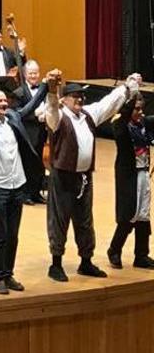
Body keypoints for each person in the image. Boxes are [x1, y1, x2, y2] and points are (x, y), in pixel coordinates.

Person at [44, 74, 141, 282]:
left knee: (85, 221)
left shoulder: (88, 115)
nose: (79, 100)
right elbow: (51, 108)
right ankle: (56, 264)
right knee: (59, 220)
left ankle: (85, 261)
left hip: (84, 178)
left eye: (81, 96)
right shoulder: (58, 117)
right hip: (63, 178)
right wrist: (52, 91)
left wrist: (128, 86)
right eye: (74, 96)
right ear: (65, 99)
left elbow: (108, 104)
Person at [0, 73, 54, 294]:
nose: (4, 104)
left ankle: (9, 273)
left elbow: (31, 105)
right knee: (0, 234)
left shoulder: (13, 117)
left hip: (18, 184)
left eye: (5, 100)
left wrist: (44, 85)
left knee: (13, 234)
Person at [108, 92, 154, 270]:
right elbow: (120, 127)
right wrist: (128, 100)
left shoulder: (144, 123)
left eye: (142, 109)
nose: (140, 113)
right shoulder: (120, 126)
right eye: (136, 109)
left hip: (143, 174)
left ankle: (141, 255)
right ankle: (114, 250)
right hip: (128, 176)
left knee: (143, 214)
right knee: (128, 214)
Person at [12, 60, 48, 204]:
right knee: (27, 163)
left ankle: (36, 192)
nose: (34, 76)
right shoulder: (18, 92)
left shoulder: (44, 89)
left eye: (36, 73)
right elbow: (18, 114)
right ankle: (25, 193)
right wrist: (36, 115)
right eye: (31, 73)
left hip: (41, 131)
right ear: (25, 74)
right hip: (26, 132)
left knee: (39, 163)